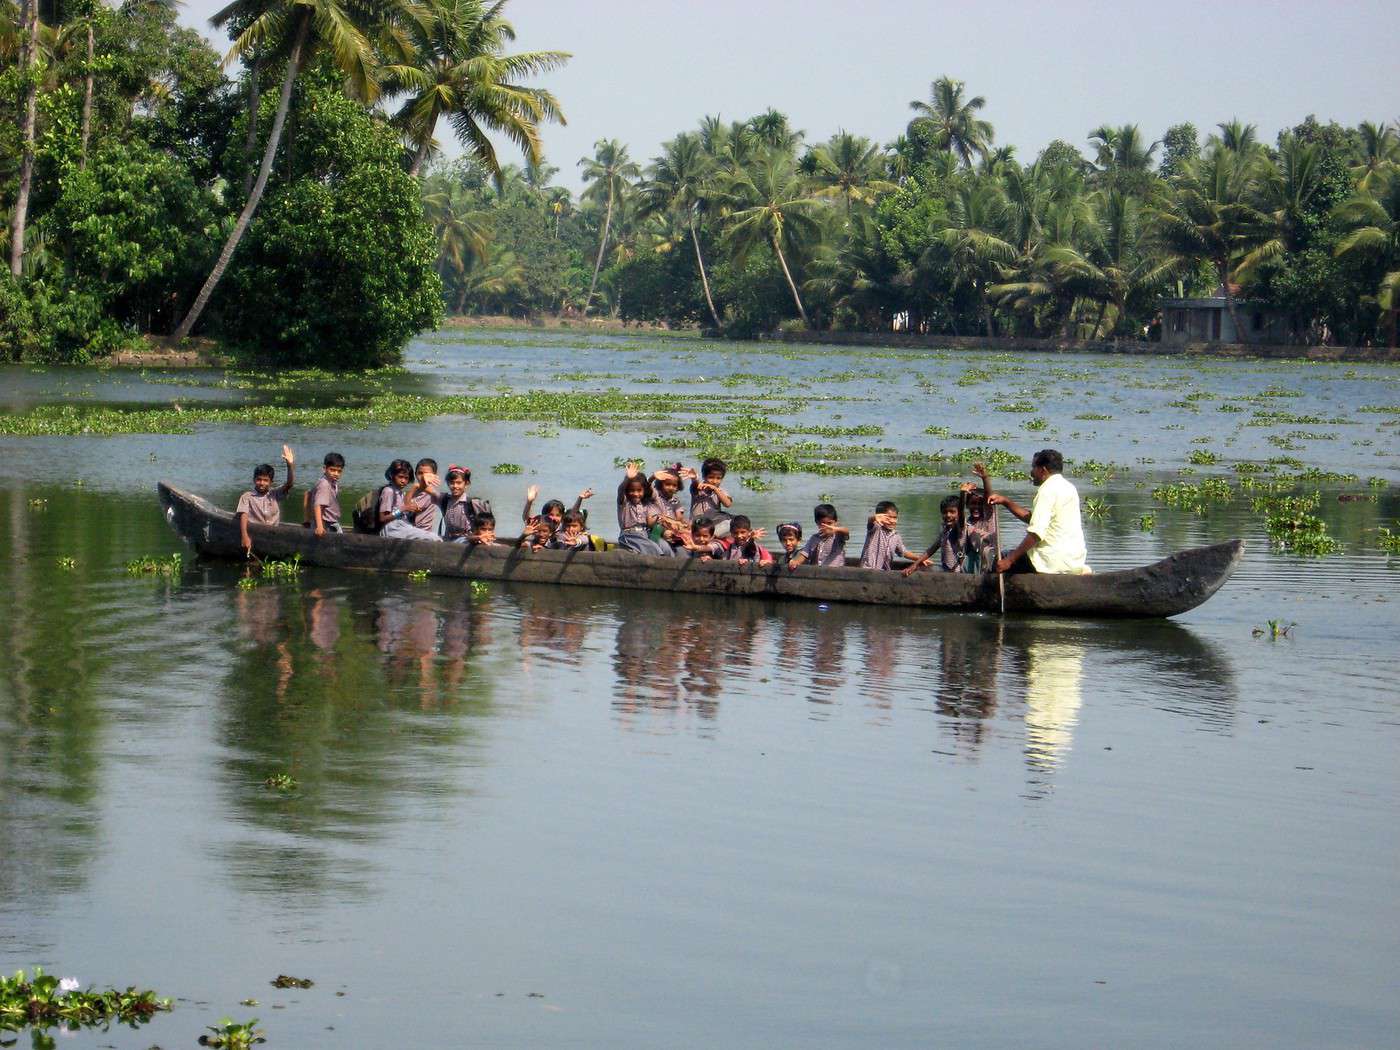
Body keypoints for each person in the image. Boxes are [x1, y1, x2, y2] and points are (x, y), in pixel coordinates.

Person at [989, 448, 1088, 574]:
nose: (1031, 472)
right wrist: (1006, 502)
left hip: (1050, 560)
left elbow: (1036, 533)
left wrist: (1009, 560)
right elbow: (1034, 519)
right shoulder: (1069, 487)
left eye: (1033, 467)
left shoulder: (1046, 490)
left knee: (1000, 558)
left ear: (1043, 470)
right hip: (1074, 560)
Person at [236, 445, 294, 556]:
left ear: (271, 482)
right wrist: (245, 536)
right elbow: (243, 516)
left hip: (274, 534)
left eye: (265, 480)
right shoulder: (247, 496)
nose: (262, 483)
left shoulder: (274, 494)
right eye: (259, 480)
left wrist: (290, 465)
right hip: (256, 534)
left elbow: (289, 484)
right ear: (254, 480)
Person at [616, 461, 674, 556]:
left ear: (643, 491)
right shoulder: (624, 503)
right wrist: (627, 479)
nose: (635, 494)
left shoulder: (645, 502)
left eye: (639, 490)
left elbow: (653, 495)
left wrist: (652, 478)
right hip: (629, 536)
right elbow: (621, 490)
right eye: (632, 490)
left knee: (665, 547)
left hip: (646, 534)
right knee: (653, 548)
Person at [378, 459, 440, 541]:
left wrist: (404, 508)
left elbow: (407, 507)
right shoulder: (389, 491)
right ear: (392, 475)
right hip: (393, 528)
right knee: (434, 538)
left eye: (406, 478)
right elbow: (382, 518)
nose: (403, 481)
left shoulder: (400, 492)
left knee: (435, 537)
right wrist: (402, 509)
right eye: (400, 477)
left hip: (402, 525)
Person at [904, 495, 966, 575]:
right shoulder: (945, 531)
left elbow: (962, 515)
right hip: (946, 570)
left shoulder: (961, 530)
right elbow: (931, 549)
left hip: (958, 573)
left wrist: (963, 493)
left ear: (959, 513)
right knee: (922, 569)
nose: (948, 515)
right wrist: (915, 564)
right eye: (945, 512)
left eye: (952, 512)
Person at [859, 500, 920, 571]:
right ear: (880, 518)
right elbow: (870, 521)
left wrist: (919, 559)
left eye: (895, 517)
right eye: (888, 518)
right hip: (867, 570)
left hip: (885, 572)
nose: (892, 521)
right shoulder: (875, 528)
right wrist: (875, 517)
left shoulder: (895, 536)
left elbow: (903, 552)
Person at [786, 503, 849, 570]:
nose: (827, 527)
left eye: (829, 523)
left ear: (835, 522)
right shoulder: (814, 538)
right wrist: (795, 562)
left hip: (836, 573)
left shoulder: (838, 536)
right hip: (817, 573)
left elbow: (846, 531)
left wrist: (835, 529)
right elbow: (804, 554)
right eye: (823, 524)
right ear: (817, 523)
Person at [440, 465, 488, 543]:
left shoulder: (473, 503)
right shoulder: (444, 499)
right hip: (449, 540)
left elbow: (488, 522)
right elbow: (429, 491)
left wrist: (485, 536)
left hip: (468, 540)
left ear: (466, 484)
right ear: (448, 483)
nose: (455, 486)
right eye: (452, 483)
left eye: (459, 483)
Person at [690, 457, 733, 536]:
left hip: (713, 524)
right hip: (698, 524)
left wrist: (716, 490)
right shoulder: (699, 488)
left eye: (718, 478)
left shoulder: (720, 491)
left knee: (733, 521)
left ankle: (712, 536)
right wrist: (695, 478)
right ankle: (710, 537)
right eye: (711, 477)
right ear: (704, 476)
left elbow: (728, 504)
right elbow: (695, 484)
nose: (714, 481)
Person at [403, 457, 443, 537]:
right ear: (415, 474)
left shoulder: (429, 493)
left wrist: (415, 486)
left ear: (434, 475)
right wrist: (415, 487)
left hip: (424, 532)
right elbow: (404, 506)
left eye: (427, 474)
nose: (423, 477)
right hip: (414, 529)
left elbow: (408, 508)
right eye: (420, 473)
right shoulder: (416, 490)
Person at [306, 452, 343, 536]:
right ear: (324, 469)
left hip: (330, 522)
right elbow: (318, 505)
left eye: (339, 471)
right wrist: (319, 526)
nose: (336, 474)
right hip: (326, 525)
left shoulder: (331, 482)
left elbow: (307, 494)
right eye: (332, 470)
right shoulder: (325, 484)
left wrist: (307, 518)